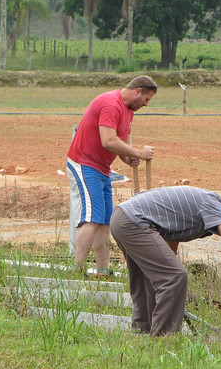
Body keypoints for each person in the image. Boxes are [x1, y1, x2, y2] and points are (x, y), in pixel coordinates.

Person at [110, 186, 221, 336]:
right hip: (134, 221)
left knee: (147, 279)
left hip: (123, 218)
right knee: (175, 277)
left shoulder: (208, 205)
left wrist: (171, 299)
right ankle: (163, 338)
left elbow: (171, 237)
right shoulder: (216, 206)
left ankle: (142, 332)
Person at [67, 75, 157, 274]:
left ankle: (103, 269)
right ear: (138, 91)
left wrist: (128, 157)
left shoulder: (129, 110)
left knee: (105, 221)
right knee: (92, 218)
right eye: (147, 99)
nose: (146, 104)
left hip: (102, 168)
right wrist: (139, 153)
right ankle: (76, 268)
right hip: (84, 164)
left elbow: (122, 140)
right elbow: (108, 141)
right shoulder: (111, 104)